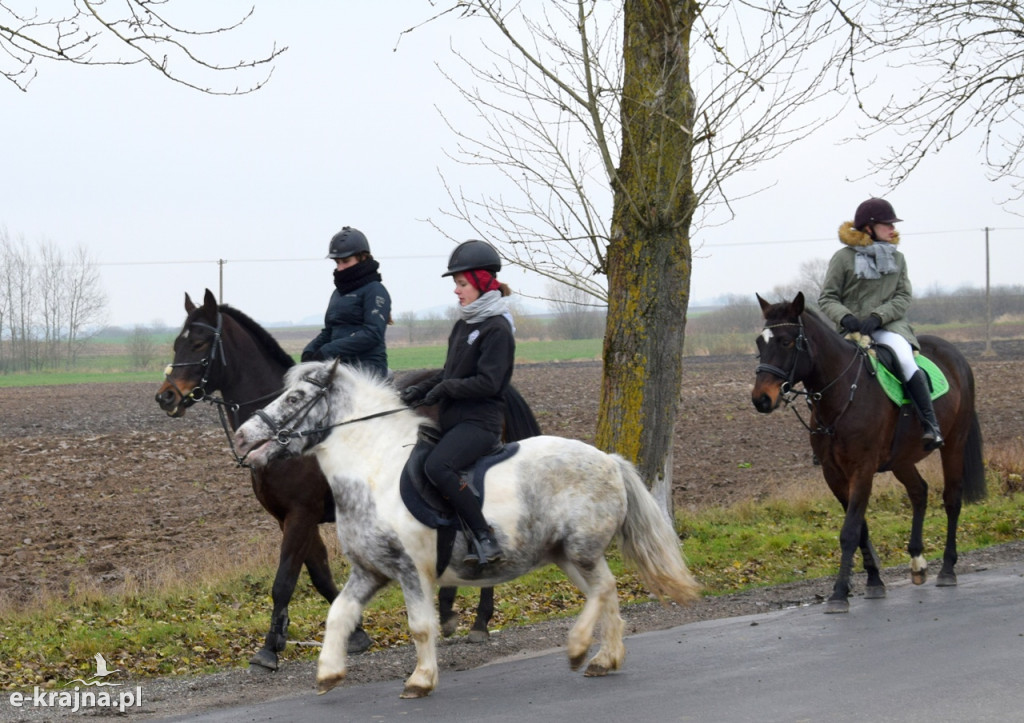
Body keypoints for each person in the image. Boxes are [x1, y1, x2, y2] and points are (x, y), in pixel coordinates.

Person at [399, 239, 515, 565]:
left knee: (438, 466)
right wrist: (417, 392)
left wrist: (447, 389)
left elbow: (489, 383)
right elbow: (450, 373)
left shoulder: (497, 329)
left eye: (462, 283)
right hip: (454, 419)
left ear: (481, 282)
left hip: (480, 422)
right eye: (456, 284)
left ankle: (485, 538)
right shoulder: (464, 323)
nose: (456, 290)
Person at [818, 197, 944, 450]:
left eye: (892, 224)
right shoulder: (843, 258)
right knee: (823, 370)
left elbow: (903, 297)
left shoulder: (898, 259)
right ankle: (822, 434)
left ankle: (931, 425)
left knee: (906, 360)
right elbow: (827, 297)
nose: (892, 229)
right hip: (851, 330)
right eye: (887, 224)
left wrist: (878, 316)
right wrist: (845, 317)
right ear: (868, 228)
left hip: (888, 328)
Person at [301, 226, 391, 378]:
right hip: (339, 366)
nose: (340, 268)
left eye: (345, 261)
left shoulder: (375, 290)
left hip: (368, 369)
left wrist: (328, 350)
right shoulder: (337, 293)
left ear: (362, 257)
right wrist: (310, 350)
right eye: (337, 262)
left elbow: (372, 333)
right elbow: (330, 331)